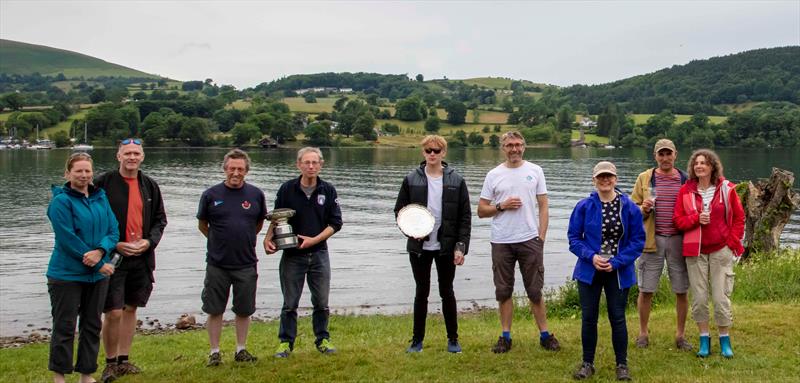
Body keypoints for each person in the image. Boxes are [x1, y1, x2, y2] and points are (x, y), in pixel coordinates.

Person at [477, 131, 560, 353]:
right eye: (509, 145)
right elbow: (481, 210)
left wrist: (541, 237)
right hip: (501, 241)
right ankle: (505, 337)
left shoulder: (535, 171)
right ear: (502, 148)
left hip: (529, 240)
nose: (514, 149)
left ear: (524, 146)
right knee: (503, 291)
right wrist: (501, 206)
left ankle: (545, 335)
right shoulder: (493, 175)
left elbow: (543, 205)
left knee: (535, 290)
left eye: (518, 144)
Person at [95, 138, 167, 382]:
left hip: (142, 257)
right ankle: (110, 362)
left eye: (136, 153)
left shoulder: (150, 185)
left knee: (131, 307)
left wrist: (149, 242)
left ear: (142, 157)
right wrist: (114, 244)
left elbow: (160, 220)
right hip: (113, 257)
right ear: (118, 156)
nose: (132, 157)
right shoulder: (102, 184)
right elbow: (91, 219)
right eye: (127, 153)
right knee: (112, 311)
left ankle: (124, 360)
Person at [394, 135, 471, 354]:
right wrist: (411, 232)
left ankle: (453, 339)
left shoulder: (457, 180)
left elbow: (465, 218)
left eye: (437, 150)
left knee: (447, 292)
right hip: (419, 248)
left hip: (446, 247)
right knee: (421, 292)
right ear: (423, 152)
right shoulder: (411, 179)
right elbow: (400, 212)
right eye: (428, 150)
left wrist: (461, 246)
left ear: (444, 153)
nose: (432, 154)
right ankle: (417, 340)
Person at [568, 161, 645, 381]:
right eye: (600, 177)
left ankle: (622, 365)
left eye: (609, 176)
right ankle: (587, 363)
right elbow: (574, 239)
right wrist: (591, 257)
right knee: (589, 318)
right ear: (594, 180)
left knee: (618, 318)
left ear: (615, 179)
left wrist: (618, 261)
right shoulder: (583, 206)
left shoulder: (629, 207)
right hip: (589, 270)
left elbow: (638, 241)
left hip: (618, 271)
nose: (605, 180)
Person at [47, 152, 119, 383]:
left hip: (96, 277)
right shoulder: (60, 202)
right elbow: (67, 239)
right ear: (67, 173)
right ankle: (59, 376)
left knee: (92, 325)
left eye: (88, 171)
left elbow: (113, 230)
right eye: (78, 171)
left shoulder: (101, 197)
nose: (84, 175)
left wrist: (100, 250)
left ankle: (86, 374)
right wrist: (99, 263)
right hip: (66, 275)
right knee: (65, 326)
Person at [265, 147, 343, 358]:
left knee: (321, 302)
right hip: (292, 255)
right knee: (290, 303)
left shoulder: (328, 190)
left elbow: (336, 223)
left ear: (321, 165)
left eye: (314, 163)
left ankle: (323, 339)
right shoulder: (286, 189)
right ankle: (285, 343)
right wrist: (267, 238)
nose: (311, 166)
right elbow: (276, 218)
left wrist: (314, 241)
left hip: (319, 254)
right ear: (298, 164)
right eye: (306, 162)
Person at [197, 149, 266, 366]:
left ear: (247, 171)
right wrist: (219, 241)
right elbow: (202, 225)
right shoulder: (210, 195)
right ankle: (215, 352)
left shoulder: (256, 194)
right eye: (232, 168)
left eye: (240, 169)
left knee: (244, 309)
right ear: (224, 168)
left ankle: (241, 349)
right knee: (214, 309)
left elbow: (258, 224)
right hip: (217, 263)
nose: (236, 172)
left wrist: (241, 238)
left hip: (246, 262)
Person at [673, 149, 745, 358]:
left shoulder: (726, 189)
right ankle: (704, 340)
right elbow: (678, 221)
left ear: (712, 166)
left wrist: (731, 243)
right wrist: (696, 218)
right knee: (699, 298)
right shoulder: (685, 191)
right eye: (696, 163)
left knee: (721, 297)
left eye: (704, 162)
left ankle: (725, 340)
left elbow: (739, 219)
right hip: (695, 252)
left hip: (721, 250)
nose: (699, 166)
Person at [630, 139, 692, 351]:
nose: (665, 158)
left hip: (679, 240)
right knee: (646, 290)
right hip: (651, 240)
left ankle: (681, 335)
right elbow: (632, 209)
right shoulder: (645, 178)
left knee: (681, 290)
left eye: (669, 154)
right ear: (655, 156)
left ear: (675, 155)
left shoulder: (686, 179)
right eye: (661, 154)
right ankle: (643, 333)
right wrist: (644, 209)